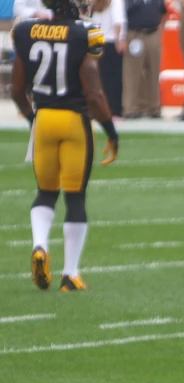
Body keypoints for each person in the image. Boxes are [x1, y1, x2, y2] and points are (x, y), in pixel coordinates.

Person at [11, 0, 119, 292]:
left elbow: (16, 89)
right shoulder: (86, 34)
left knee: (45, 193)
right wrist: (111, 130)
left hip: (44, 119)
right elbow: (94, 94)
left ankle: (40, 245)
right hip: (74, 122)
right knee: (75, 198)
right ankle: (70, 274)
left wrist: (33, 119)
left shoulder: (25, 31)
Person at [122, 0, 166, 119]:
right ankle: (131, 109)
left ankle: (154, 108)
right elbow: (121, 15)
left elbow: (163, 12)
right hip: (135, 34)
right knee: (132, 74)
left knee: (153, 73)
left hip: (153, 33)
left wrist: (160, 29)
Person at [89, 0, 127, 117]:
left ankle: (96, 110)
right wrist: (120, 39)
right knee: (113, 79)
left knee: (96, 78)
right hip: (110, 41)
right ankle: (114, 110)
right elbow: (118, 21)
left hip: (94, 39)